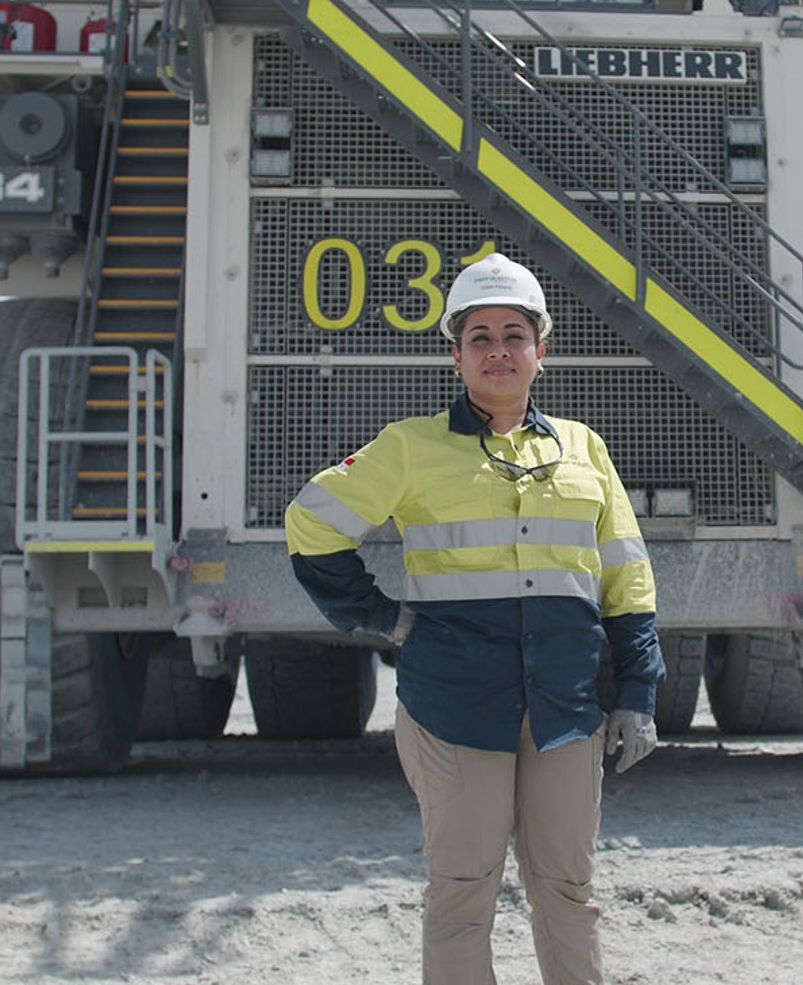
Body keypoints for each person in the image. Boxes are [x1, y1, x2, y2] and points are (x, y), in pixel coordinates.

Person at [284, 251, 664, 985]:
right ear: (454, 354)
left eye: (514, 334)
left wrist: (639, 694)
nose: (499, 350)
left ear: (541, 350)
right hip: (453, 707)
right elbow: (312, 525)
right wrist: (378, 616)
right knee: (462, 894)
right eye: (480, 336)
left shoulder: (584, 448)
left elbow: (627, 578)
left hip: (563, 708)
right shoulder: (410, 447)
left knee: (569, 892)